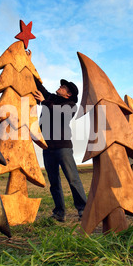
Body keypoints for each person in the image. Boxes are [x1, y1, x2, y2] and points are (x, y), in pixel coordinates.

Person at [32, 79, 87, 222]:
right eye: (61, 86)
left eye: (64, 87)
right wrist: (28, 63)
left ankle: (84, 210)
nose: (60, 87)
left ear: (68, 94)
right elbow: (39, 86)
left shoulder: (71, 105)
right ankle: (59, 213)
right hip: (47, 147)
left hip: (63, 148)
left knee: (73, 179)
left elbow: (60, 114)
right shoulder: (51, 98)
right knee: (54, 182)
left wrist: (44, 102)